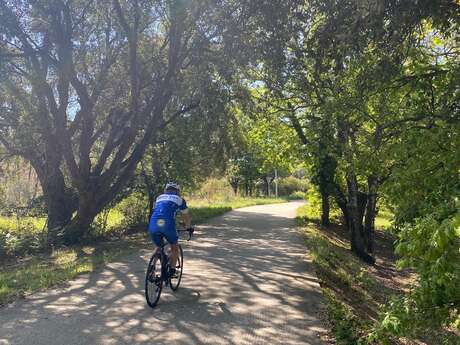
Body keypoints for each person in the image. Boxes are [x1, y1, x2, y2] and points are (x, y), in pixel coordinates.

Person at [148, 182, 192, 277]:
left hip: (153, 223)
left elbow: (160, 211)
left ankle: (152, 268)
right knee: (174, 247)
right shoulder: (179, 200)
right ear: (177, 191)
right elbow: (186, 216)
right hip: (167, 225)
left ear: (165, 190)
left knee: (158, 246)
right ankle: (172, 270)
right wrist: (188, 227)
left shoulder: (159, 198)